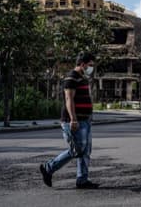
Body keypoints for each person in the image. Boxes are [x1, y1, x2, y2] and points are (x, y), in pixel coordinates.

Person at [40, 52, 99, 189]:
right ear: (83, 64)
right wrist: (73, 119)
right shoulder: (71, 77)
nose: (91, 68)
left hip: (85, 120)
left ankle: (82, 180)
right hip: (73, 121)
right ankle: (48, 168)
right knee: (76, 150)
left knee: (85, 151)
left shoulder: (82, 78)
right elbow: (69, 99)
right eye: (90, 65)